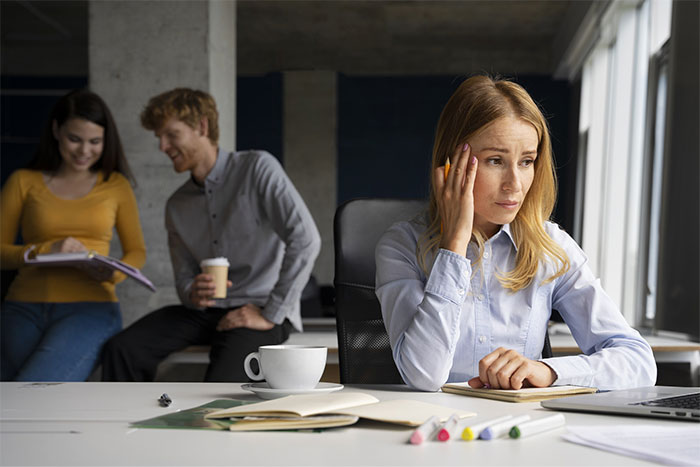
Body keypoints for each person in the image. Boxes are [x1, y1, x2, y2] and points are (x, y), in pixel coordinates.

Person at [375, 75, 656, 392]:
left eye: (526, 162)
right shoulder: (401, 245)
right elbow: (423, 376)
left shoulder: (550, 247)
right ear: (451, 164)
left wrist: (547, 372)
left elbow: (638, 362)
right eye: (496, 160)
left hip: (521, 429)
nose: (515, 184)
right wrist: (453, 248)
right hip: (435, 430)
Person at [101, 88, 321, 382]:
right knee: (122, 348)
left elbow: (306, 239)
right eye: (159, 138)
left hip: (259, 309)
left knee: (219, 385)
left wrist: (270, 314)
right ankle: (123, 425)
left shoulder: (257, 168)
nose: (162, 146)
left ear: (201, 127)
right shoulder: (176, 205)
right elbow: (183, 279)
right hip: (206, 313)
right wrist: (193, 291)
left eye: (171, 134)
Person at [1, 89, 146, 381]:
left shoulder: (115, 185)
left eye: (95, 142)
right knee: (12, 397)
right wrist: (43, 251)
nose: (84, 151)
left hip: (90, 308)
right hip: (23, 307)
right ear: (56, 130)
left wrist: (110, 273)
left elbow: (137, 252)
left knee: (32, 393)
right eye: (74, 139)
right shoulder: (23, 181)